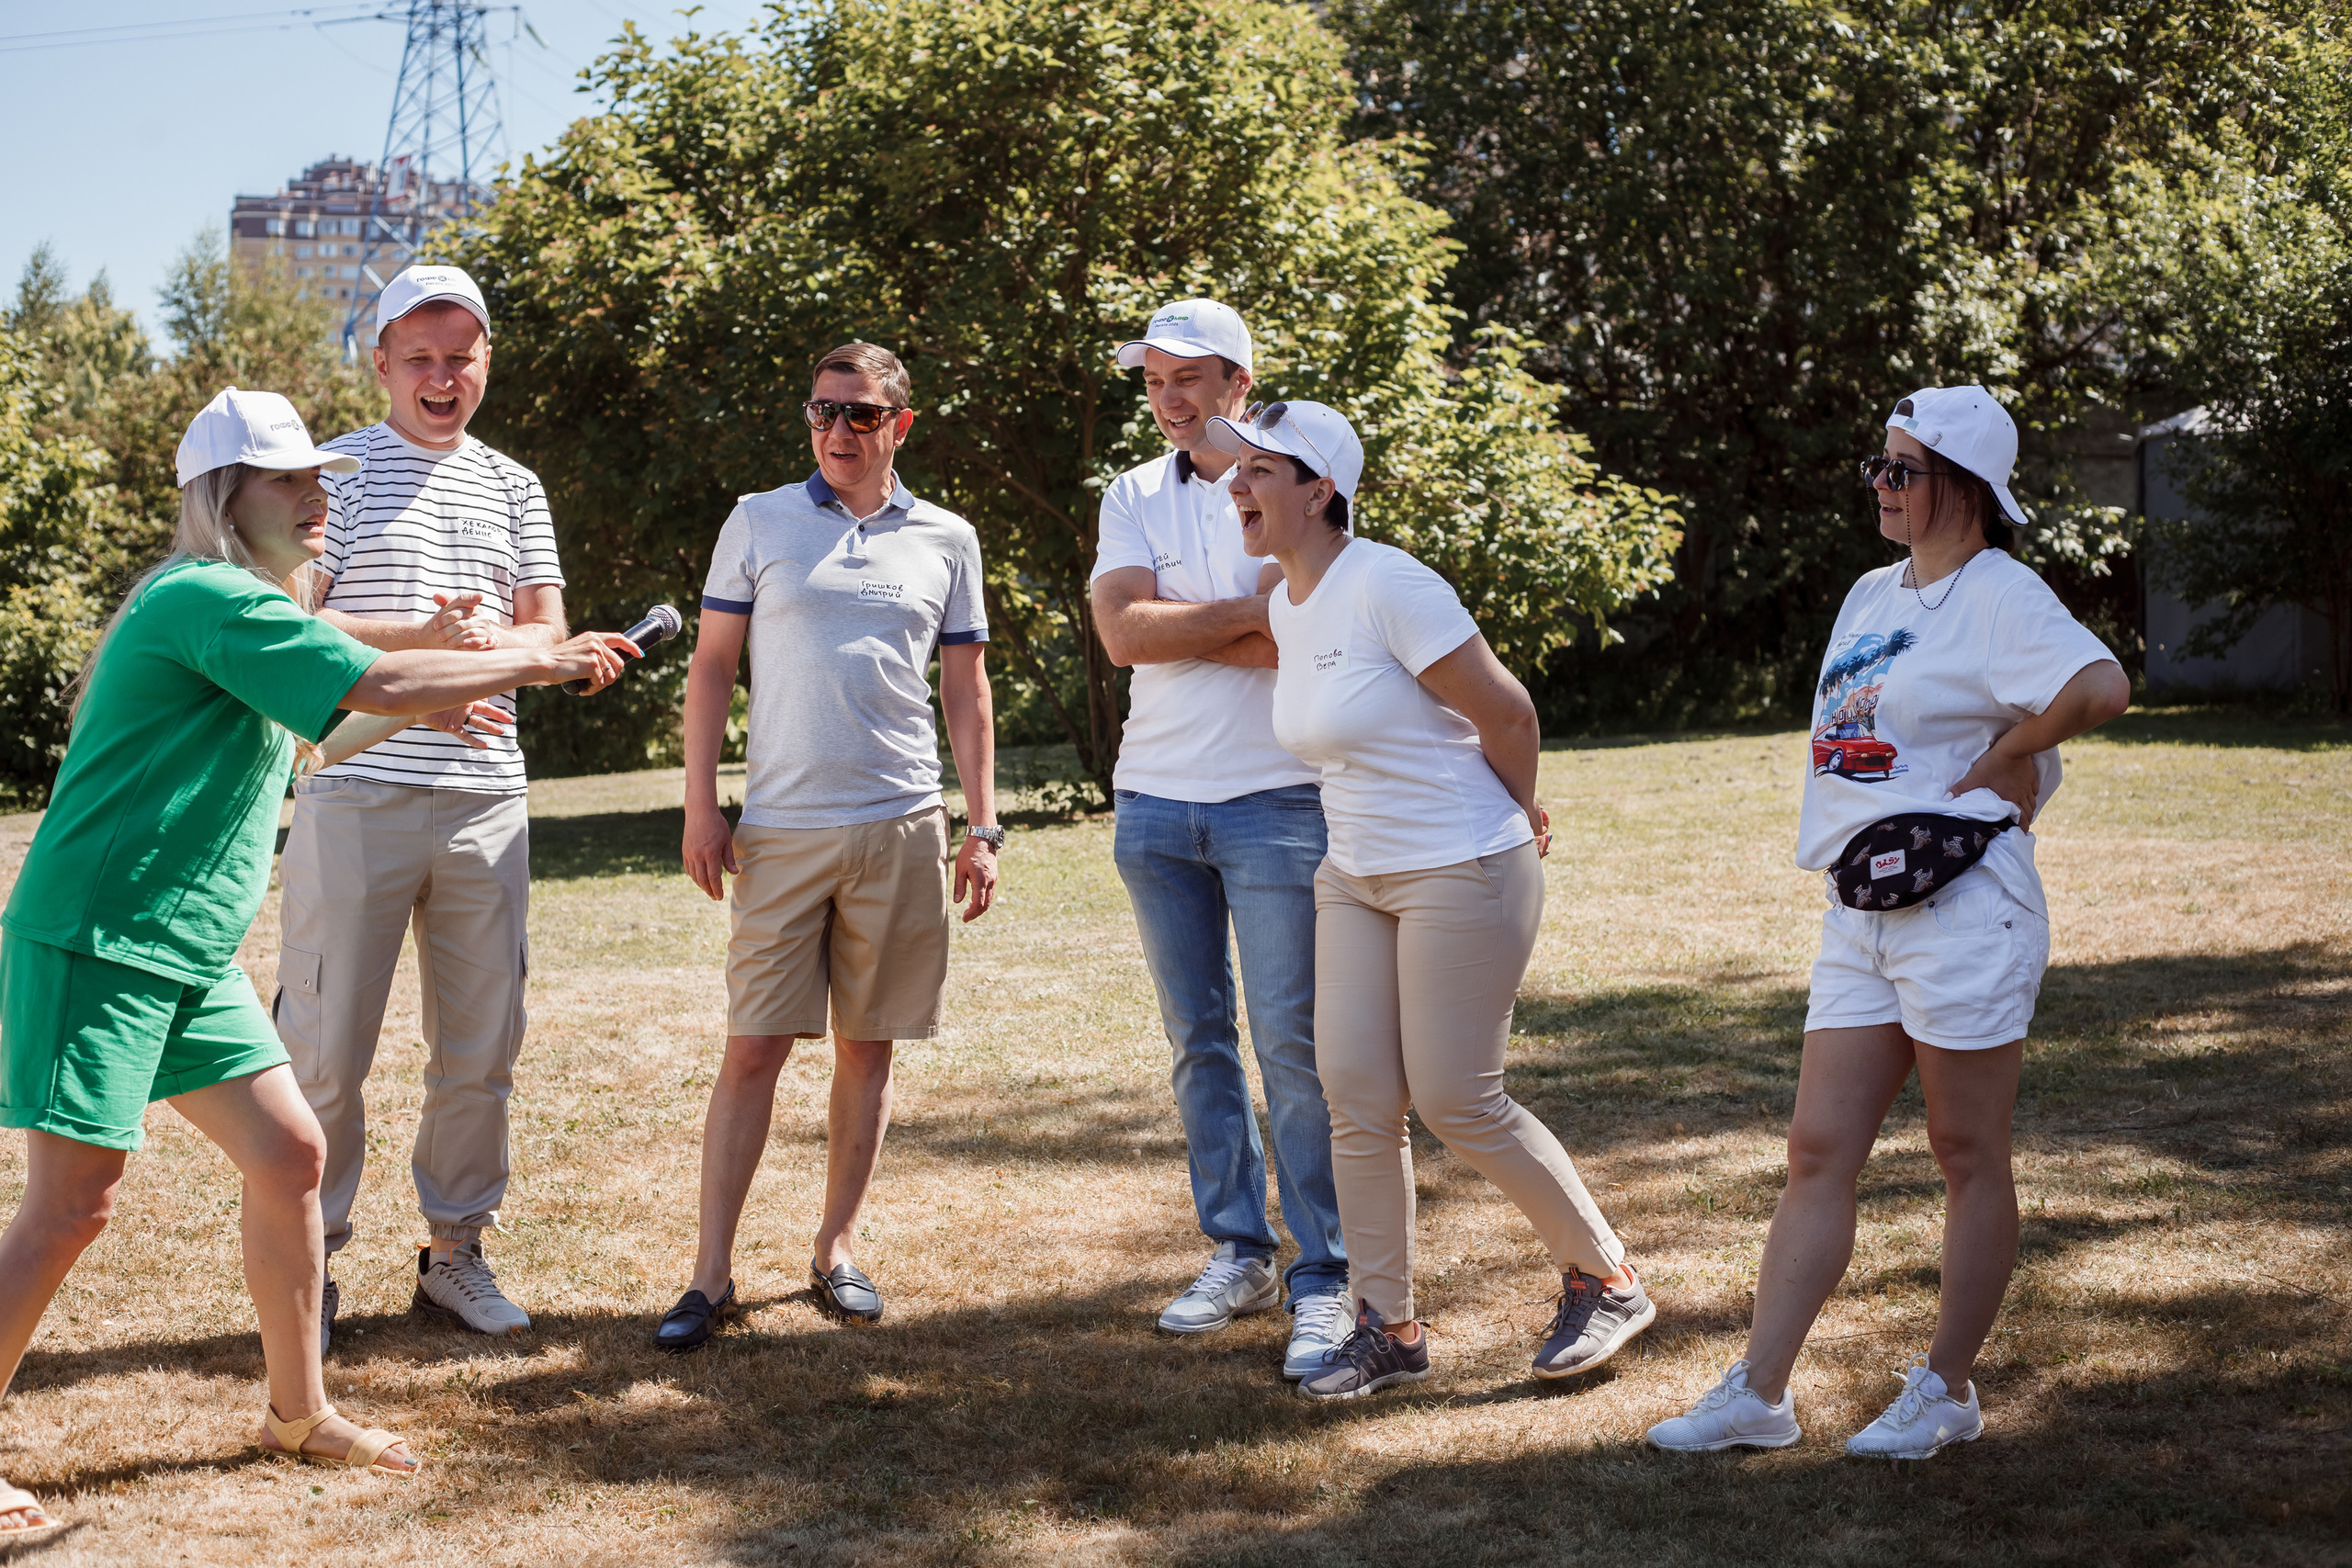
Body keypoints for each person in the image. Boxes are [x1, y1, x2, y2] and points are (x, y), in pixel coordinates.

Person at [0, 389, 633, 1529]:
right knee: (72, 1206)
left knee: (291, 1155)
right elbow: (372, 683)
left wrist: (434, 686)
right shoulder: (207, 595)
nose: (317, 497)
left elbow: (330, 728)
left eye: (319, 478)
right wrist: (536, 663)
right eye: (289, 479)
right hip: (101, 938)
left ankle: (298, 1414)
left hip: (188, 953)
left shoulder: (241, 608)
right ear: (224, 495)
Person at [1646, 385, 2130, 1459]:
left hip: (1964, 906)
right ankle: (1759, 1392)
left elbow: (2101, 685)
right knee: (1817, 1150)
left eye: (1901, 469)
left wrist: (2014, 752)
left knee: (1965, 1150)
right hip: (1860, 905)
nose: (1879, 482)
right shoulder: (1872, 592)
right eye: (1878, 463)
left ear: (1964, 487)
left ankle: (1946, 1389)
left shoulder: (2000, 592)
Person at [1210, 400, 1653, 1400]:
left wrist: (1517, 810)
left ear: (1320, 491)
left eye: (1260, 470)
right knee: (1357, 1098)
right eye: (1239, 470)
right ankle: (1390, 1327)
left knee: (1458, 1097)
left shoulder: (1389, 582)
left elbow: (1508, 711)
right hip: (1355, 875)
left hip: (1462, 861)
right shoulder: (1287, 604)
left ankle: (1609, 1278)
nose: (1236, 484)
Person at [656, 341, 1000, 1350]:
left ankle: (835, 1249)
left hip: (901, 823)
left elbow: (966, 689)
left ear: (901, 424)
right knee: (753, 1046)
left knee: (867, 1046)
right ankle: (709, 1275)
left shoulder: (947, 538)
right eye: (821, 411)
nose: (838, 430)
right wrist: (700, 805)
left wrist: (981, 826)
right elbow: (712, 666)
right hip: (781, 827)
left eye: (860, 414)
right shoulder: (758, 520)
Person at [272, 265, 574, 1351]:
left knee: (480, 1047)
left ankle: (455, 1254)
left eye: (460, 358)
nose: (441, 378)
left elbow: (549, 632)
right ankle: (308, 1266)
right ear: (382, 363)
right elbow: (296, 623)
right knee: (323, 1050)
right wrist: (427, 649)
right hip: (355, 789)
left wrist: (501, 647)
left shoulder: (516, 485)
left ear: (487, 360)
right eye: (420, 359)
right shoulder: (336, 474)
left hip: (487, 797)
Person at [1090, 300, 1351, 1379]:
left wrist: (1185, 626)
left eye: (1187, 378)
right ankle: (1240, 1251)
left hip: (1277, 801)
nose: (1167, 398)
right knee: (1197, 1042)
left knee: (1293, 1049)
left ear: (1239, 384)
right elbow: (1120, 633)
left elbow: (1306, 630)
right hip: (1152, 802)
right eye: (1153, 380)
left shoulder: (1291, 478)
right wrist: (1239, 616)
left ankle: (1326, 1275)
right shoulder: (1131, 493)